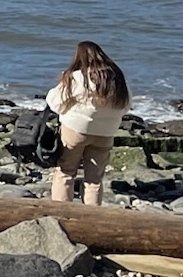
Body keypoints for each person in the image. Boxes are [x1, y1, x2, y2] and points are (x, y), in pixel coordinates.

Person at [46, 40, 130, 205]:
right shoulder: (117, 78)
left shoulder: (78, 77)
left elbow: (55, 102)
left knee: (66, 172)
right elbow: (126, 105)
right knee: (94, 179)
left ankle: (62, 211)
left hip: (76, 129)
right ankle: (92, 213)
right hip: (106, 132)